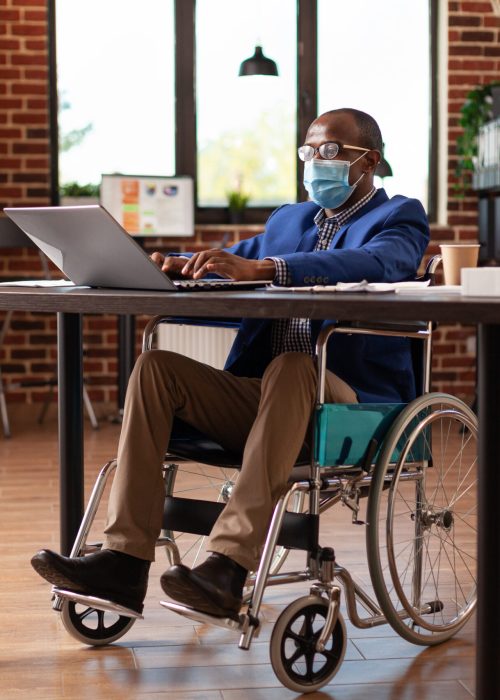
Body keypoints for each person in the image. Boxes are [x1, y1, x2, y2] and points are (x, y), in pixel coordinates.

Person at [31, 108, 430, 621]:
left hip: (346, 407)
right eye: (308, 152)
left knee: (291, 366)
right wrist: (183, 264)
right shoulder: (290, 220)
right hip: (268, 402)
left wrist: (269, 268)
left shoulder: (397, 216)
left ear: (368, 160)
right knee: (156, 368)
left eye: (329, 151)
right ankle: (122, 563)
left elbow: (379, 263)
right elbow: (234, 259)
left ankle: (228, 566)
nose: (315, 162)